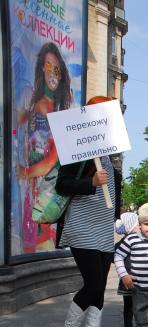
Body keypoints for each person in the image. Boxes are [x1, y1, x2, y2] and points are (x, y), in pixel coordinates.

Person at [55, 96, 121, 327]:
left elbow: (114, 191)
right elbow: (63, 184)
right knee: (93, 284)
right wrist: (90, 181)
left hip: (104, 228)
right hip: (82, 226)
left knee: (101, 285)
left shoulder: (108, 152)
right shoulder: (77, 151)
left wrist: (117, 217)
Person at [17, 42, 73, 252]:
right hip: (30, 187)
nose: (52, 72)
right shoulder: (31, 101)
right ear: (42, 67)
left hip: (46, 189)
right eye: (48, 66)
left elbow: (51, 161)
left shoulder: (60, 113)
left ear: (60, 75)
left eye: (56, 68)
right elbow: (17, 128)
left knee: (40, 242)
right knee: (28, 241)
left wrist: (25, 172)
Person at [114, 211, 140, 327]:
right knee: (128, 305)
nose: (139, 228)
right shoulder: (122, 243)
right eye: (137, 225)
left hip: (142, 279)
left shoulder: (142, 240)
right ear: (130, 227)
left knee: (144, 305)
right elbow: (114, 256)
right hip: (127, 279)